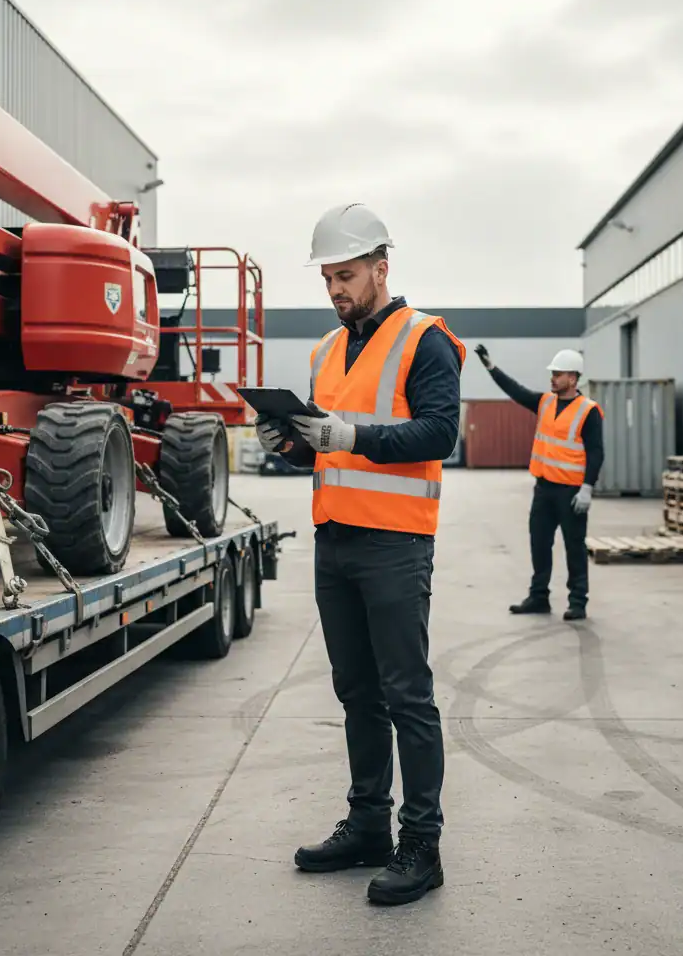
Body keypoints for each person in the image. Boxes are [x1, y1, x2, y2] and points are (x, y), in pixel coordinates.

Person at [255, 202, 466, 906]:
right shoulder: (325, 349)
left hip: (397, 544)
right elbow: (324, 447)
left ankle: (422, 844)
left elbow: (440, 435)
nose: (336, 289)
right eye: (328, 279)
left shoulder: (424, 340)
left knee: (408, 694)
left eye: (346, 275)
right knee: (357, 694)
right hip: (336, 540)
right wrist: (287, 444)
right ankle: (369, 825)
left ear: (382, 267)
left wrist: (351, 437)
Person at [474, 343, 604, 620]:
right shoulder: (545, 402)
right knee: (539, 543)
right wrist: (490, 367)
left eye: (558, 374)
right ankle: (538, 597)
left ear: (573, 378)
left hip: (571, 492)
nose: (553, 378)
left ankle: (578, 601)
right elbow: (516, 391)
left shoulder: (588, 411)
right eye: (553, 373)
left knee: (574, 547)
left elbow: (596, 452)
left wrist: (587, 489)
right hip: (543, 488)